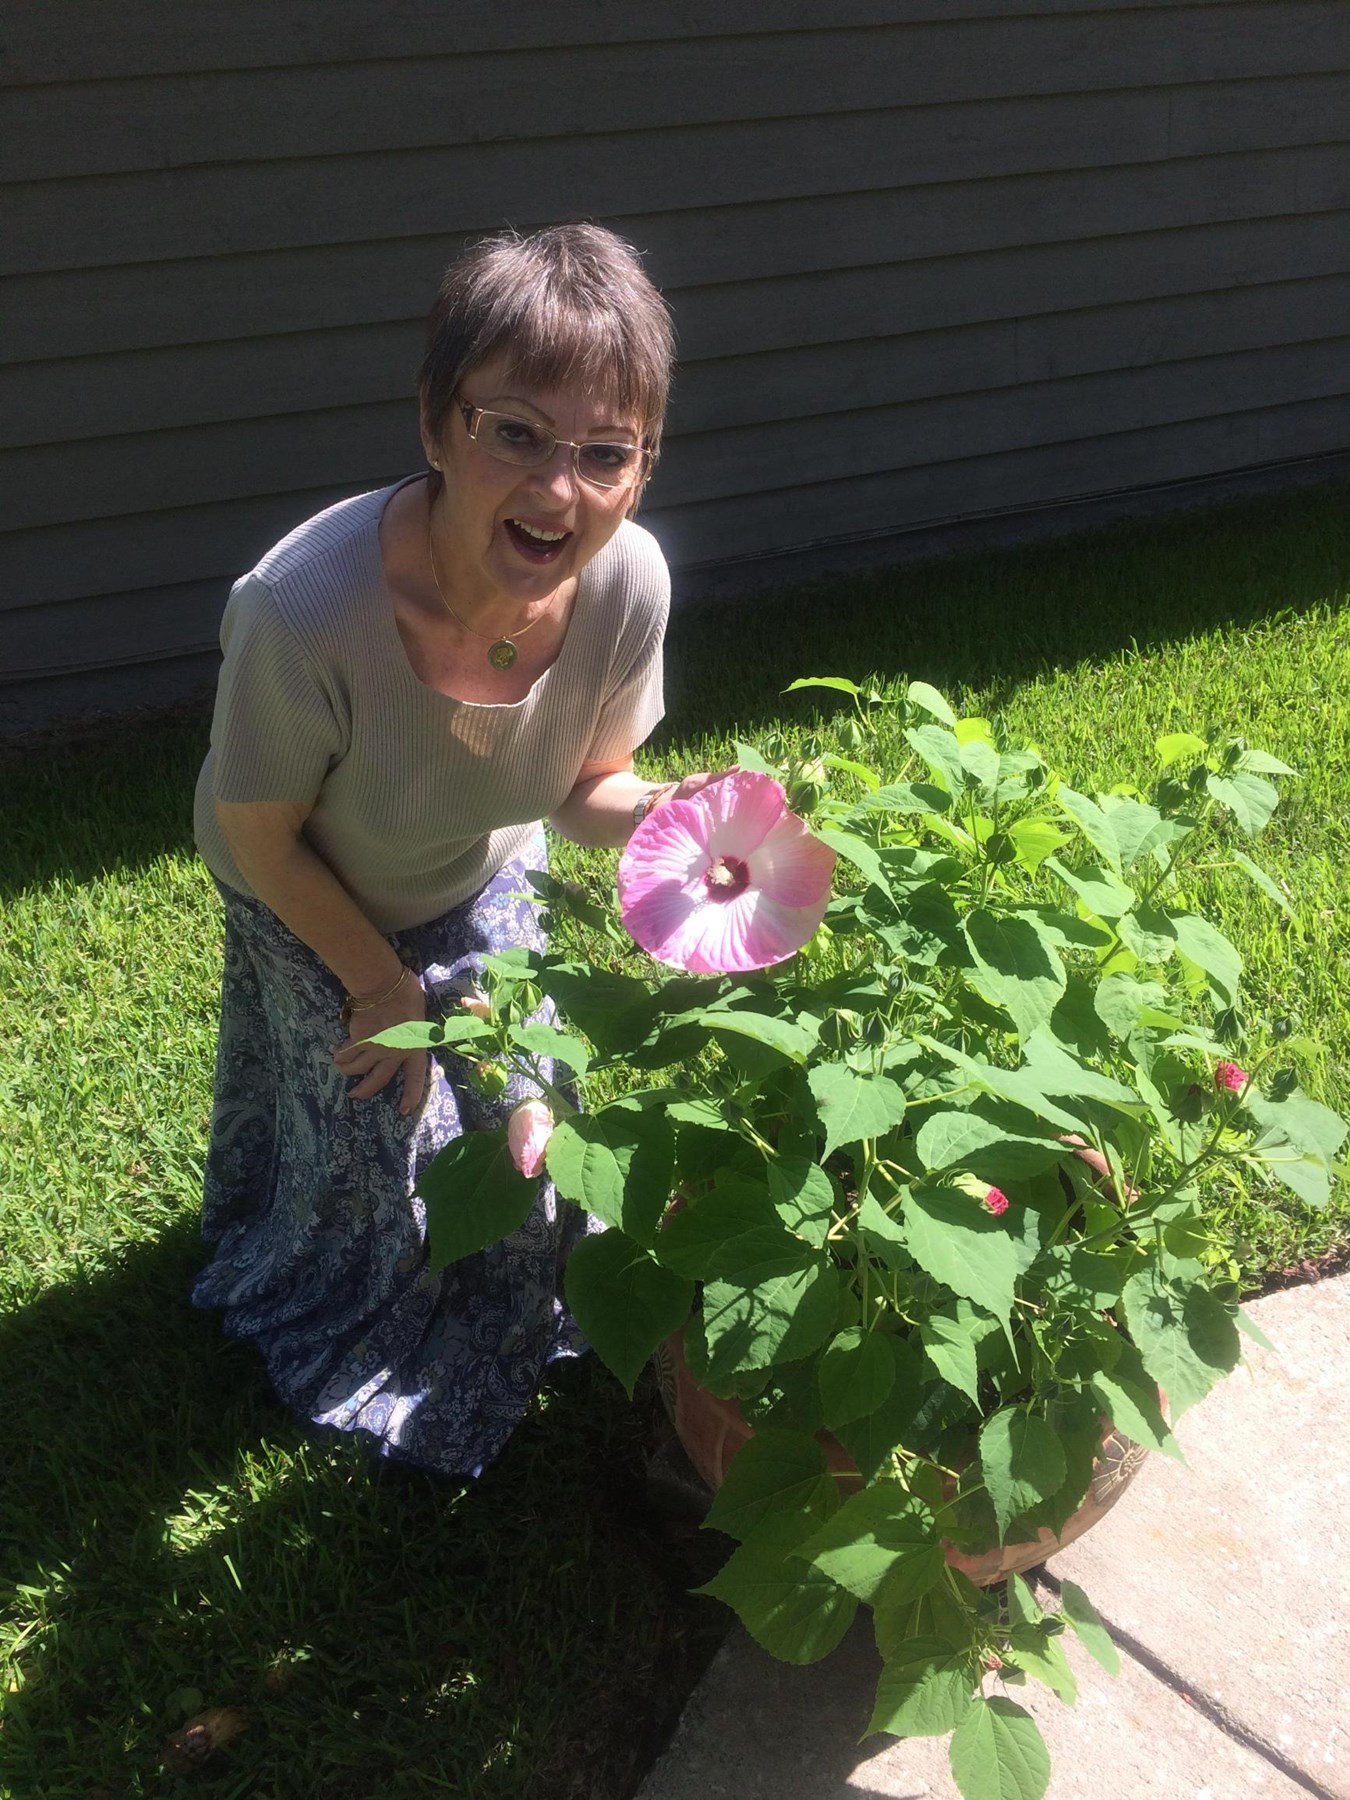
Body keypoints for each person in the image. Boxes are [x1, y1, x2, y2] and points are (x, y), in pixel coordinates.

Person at [191, 222, 714, 1477]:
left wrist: (659, 814)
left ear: (642, 472)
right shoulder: (302, 610)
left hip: (482, 876)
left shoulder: (629, 583)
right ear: (436, 425)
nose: (557, 491)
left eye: (604, 453)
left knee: (532, 1155)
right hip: (308, 896)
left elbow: (586, 789)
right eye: (515, 433)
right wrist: (378, 987)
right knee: (381, 1185)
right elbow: (259, 835)